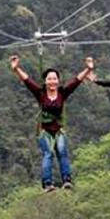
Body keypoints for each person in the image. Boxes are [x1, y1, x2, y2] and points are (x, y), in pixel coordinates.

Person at [10, 54, 94, 192]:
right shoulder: (40, 93)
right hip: (45, 131)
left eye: (54, 79)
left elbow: (76, 81)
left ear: (58, 81)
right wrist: (16, 68)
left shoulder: (62, 93)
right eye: (49, 79)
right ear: (45, 81)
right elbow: (27, 80)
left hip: (59, 129)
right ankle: (47, 183)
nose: (52, 81)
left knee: (62, 152)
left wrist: (88, 69)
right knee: (48, 154)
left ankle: (67, 180)